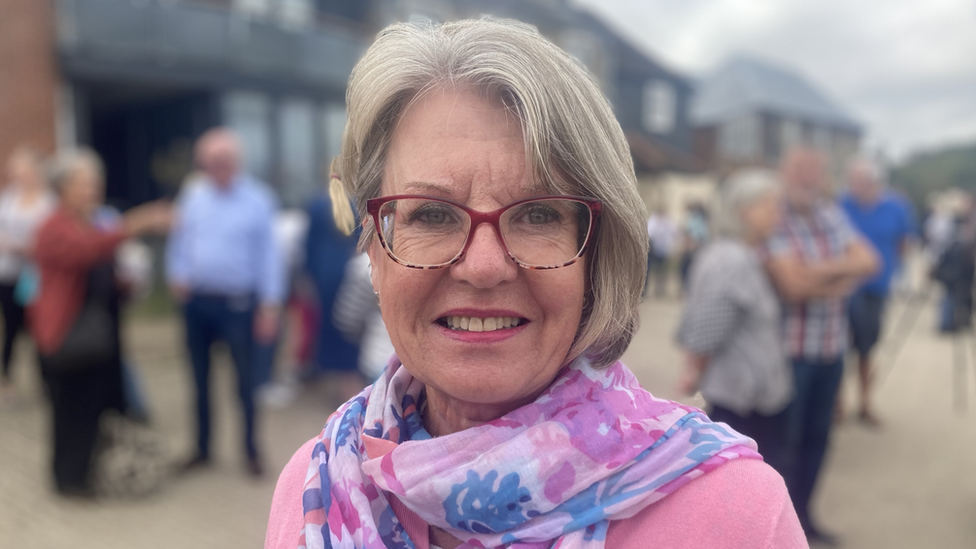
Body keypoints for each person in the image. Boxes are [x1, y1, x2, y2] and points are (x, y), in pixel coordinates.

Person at [266, 19, 805, 549]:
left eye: (539, 215)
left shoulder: (738, 517)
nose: (483, 266)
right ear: (375, 251)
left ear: (596, 256)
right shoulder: (315, 486)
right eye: (430, 214)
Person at [29, 148, 170, 496]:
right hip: (68, 336)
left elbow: (99, 266)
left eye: (95, 183)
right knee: (71, 412)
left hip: (99, 335)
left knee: (96, 409)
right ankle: (68, 480)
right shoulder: (54, 225)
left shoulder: (89, 222)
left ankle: (90, 471)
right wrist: (137, 222)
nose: (93, 190)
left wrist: (124, 284)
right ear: (63, 188)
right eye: (84, 184)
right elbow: (86, 251)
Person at [764, 147, 879, 545]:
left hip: (830, 352)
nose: (809, 178)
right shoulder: (773, 216)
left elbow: (870, 260)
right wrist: (842, 275)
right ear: (785, 171)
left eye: (815, 170)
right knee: (784, 444)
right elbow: (791, 287)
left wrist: (818, 275)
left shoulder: (831, 214)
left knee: (818, 440)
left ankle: (805, 521)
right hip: (789, 354)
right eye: (801, 170)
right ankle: (777, 529)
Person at [166, 128, 283, 477]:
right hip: (197, 303)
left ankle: (250, 450)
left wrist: (270, 305)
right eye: (210, 162)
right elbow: (180, 239)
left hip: (239, 305)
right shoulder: (193, 194)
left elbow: (269, 256)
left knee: (244, 383)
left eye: (224, 161)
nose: (217, 167)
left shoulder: (259, 198)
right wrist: (177, 274)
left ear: (236, 161)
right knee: (198, 381)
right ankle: (201, 448)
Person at [676, 169, 792, 476]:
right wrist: (694, 374)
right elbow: (705, 332)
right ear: (745, 210)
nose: (779, 213)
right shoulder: (732, 260)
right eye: (771, 205)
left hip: (747, 395)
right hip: (740, 399)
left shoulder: (738, 254)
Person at [839, 157, 914, 426]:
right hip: (844, 287)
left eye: (858, 181)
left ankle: (865, 402)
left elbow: (904, 241)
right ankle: (838, 403)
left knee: (867, 348)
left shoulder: (896, 206)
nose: (852, 186)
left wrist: (897, 272)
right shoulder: (842, 203)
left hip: (877, 288)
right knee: (839, 346)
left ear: (873, 182)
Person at [0, 146, 56, 401]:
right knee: (11, 327)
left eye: (21, 170)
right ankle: (6, 379)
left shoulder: (49, 201)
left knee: (39, 327)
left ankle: (46, 380)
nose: (16, 176)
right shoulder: (8, 198)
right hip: (9, 273)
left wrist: (27, 247)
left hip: (38, 275)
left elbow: (51, 235)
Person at [303, 179, 362, 400]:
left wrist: (308, 277)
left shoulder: (318, 202)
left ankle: (342, 381)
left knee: (332, 327)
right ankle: (352, 382)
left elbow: (308, 246)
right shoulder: (361, 202)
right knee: (352, 327)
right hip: (354, 274)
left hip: (325, 275)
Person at [643, 208, 676, 298]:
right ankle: (653, 288)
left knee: (663, 271)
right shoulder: (654, 221)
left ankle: (661, 289)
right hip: (655, 250)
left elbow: (673, 232)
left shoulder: (667, 222)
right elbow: (650, 233)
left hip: (664, 250)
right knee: (653, 270)